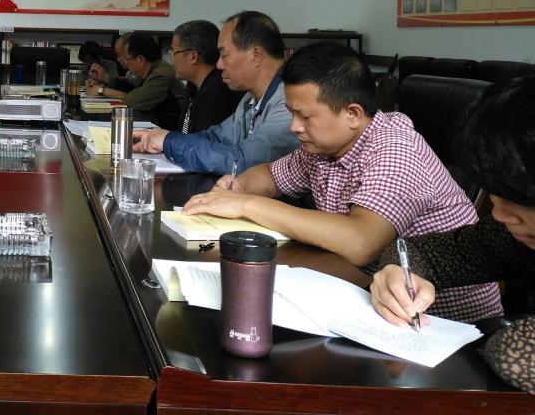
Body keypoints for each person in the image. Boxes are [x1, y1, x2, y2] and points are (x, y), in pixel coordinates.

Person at [183, 42, 500, 322]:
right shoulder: (325, 145)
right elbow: (271, 175)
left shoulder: (395, 149)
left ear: (353, 113)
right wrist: (238, 186)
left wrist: (246, 204)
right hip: (368, 298)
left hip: (443, 327)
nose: (294, 127)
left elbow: (360, 242)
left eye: (305, 116)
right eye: (292, 113)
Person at [370, 76, 535, 392]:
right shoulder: (511, 235)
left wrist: (503, 343)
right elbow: (424, 251)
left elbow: (516, 358)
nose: (499, 214)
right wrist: (397, 271)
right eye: (495, 196)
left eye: (517, 199)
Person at [134, 10, 298, 174]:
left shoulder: (290, 102)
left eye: (224, 55)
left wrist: (170, 142)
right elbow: (217, 136)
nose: (219, 65)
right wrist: (161, 137)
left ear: (256, 55)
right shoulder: (251, 98)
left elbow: (244, 162)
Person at [86, 32, 185, 126]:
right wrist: (105, 78)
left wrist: (101, 90)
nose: (125, 62)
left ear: (140, 59)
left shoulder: (161, 75)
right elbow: (130, 85)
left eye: (127, 58)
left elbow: (133, 100)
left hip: (171, 129)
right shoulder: (151, 70)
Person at [169, 19, 243, 133]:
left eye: (174, 52)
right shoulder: (193, 85)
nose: (172, 60)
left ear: (193, 56)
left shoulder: (219, 92)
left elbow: (204, 141)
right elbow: (184, 132)